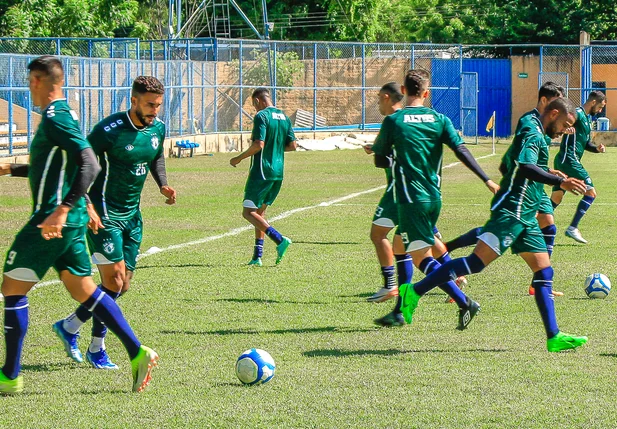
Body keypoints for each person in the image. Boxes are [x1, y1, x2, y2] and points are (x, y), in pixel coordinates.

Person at [0, 56, 158, 394]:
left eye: (31, 81)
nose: (30, 88)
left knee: (12, 289)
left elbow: (89, 163)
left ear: (41, 81)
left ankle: (10, 376)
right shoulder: (64, 116)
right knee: (83, 289)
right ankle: (137, 351)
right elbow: (59, 168)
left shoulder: (56, 116)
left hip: (51, 221)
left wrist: (63, 208)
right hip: (69, 224)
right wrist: (11, 169)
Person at [397, 97, 590, 352]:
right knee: (476, 263)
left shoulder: (537, 131)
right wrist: (559, 182)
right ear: (553, 113)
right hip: (512, 211)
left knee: (544, 272)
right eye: (565, 123)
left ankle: (553, 336)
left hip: (527, 213)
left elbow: (514, 165)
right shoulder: (533, 132)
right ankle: (414, 291)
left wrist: (552, 174)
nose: (566, 129)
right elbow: (524, 166)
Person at [54, 76, 176, 370]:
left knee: (123, 286)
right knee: (114, 280)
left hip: (133, 217)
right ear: (133, 101)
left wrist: (163, 185)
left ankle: (70, 326)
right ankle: (98, 348)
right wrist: (87, 204)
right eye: (149, 104)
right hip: (104, 214)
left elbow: (156, 156)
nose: (154, 111)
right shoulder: (107, 131)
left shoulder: (157, 127)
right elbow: (80, 165)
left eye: (158, 105)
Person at [372, 69, 499, 328]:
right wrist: (486, 178)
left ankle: (465, 302)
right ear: (426, 93)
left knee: (421, 258)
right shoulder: (439, 119)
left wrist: (392, 155)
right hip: (434, 198)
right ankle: (399, 310)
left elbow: (379, 160)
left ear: (404, 91)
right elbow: (461, 149)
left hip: (410, 199)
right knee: (400, 247)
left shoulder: (394, 122)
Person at [443, 82, 567, 296]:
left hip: (535, 184)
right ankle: (446, 253)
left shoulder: (544, 123)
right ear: (544, 101)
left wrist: (549, 170)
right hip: (523, 185)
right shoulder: (529, 122)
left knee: (545, 223)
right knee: (501, 236)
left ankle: (540, 282)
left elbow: (533, 157)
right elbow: (521, 159)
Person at [365, 82, 465, 306]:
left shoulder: (397, 121)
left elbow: (399, 158)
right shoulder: (405, 121)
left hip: (402, 191)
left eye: (380, 98)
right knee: (423, 239)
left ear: (389, 97)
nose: (378, 102)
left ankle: (391, 285)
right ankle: (454, 277)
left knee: (379, 235)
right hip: (420, 192)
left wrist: (381, 152)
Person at [230, 88, 297, 266]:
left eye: (254, 105)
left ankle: (279, 239)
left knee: (248, 212)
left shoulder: (262, 116)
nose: (255, 109)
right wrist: (274, 148)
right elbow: (292, 146)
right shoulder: (284, 117)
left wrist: (238, 158)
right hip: (278, 172)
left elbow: (258, 144)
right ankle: (257, 257)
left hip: (261, 171)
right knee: (260, 212)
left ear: (259, 101)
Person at [550, 90, 607, 244]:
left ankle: (530, 224)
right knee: (591, 193)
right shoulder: (578, 114)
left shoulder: (587, 119)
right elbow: (558, 122)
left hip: (563, 160)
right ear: (593, 102)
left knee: (557, 197)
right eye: (600, 107)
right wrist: (562, 130)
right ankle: (573, 227)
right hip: (569, 160)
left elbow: (585, 143)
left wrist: (596, 148)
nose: (600, 111)